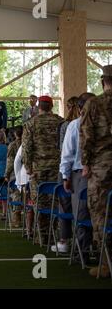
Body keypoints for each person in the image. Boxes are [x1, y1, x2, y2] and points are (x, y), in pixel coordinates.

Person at [80, 65, 112, 278]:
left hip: (102, 168)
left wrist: (86, 163)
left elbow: (87, 137)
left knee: (100, 214)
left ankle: (106, 264)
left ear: (103, 82)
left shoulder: (94, 104)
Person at [56, 93, 95, 258]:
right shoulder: (104, 123)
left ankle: (82, 253)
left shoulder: (74, 125)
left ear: (79, 108)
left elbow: (67, 154)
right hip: (101, 173)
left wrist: (65, 177)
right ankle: (99, 253)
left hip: (81, 174)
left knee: (81, 215)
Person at [22, 95, 64, 245]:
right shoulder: (61, 122)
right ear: (51, 106)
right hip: (57, 168)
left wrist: (28, 168)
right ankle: (56, 235)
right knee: (56, 201)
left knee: (39, 202)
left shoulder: (31, 123)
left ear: (39, 106)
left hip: (38, 170)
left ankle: (42, 236)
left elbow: (27, 148)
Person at [51, 96, 81, 253]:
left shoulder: (66, 125)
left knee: (64, 204)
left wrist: (64, 175)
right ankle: (83, 242)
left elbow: (63, 151)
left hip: (69, 168)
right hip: (86, 170)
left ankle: (64, 241)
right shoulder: (90, 123)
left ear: (69, 107)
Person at [4, 126, 23, 226]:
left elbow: (10, 162)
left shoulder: (12, 145)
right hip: (27, 174)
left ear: (15, 134)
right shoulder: (28, 143)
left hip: (15, 175)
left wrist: (6, 174)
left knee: (16, 196)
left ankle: (16, 219)